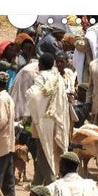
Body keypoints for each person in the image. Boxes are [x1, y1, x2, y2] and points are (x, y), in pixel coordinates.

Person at [26, 53, 71, 186]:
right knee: (44, 152)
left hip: (44, 122)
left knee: (44, 155)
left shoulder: (41, 78)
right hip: (57, 120)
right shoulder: (58, 78)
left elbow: (33, 96)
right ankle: (36, 185)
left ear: (40, 65)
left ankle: (52, 184)